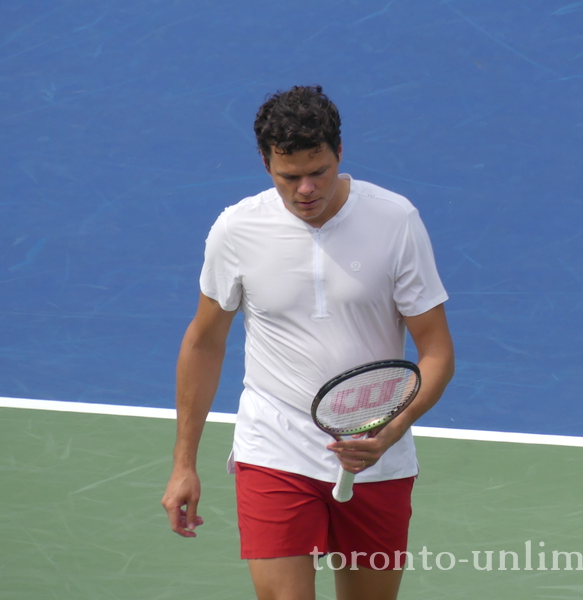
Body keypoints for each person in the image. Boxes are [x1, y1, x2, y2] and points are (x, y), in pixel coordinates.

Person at [161, 85, 455, 600]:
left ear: (340, 153)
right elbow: (204, 342)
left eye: (317, 171)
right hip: (275, 444)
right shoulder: (237, 229)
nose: (305, 190)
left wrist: (390, 431)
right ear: (265, 163)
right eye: (288, 177)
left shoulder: (395, 221)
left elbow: (436, 352)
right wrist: (184, 463)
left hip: (375, 448)